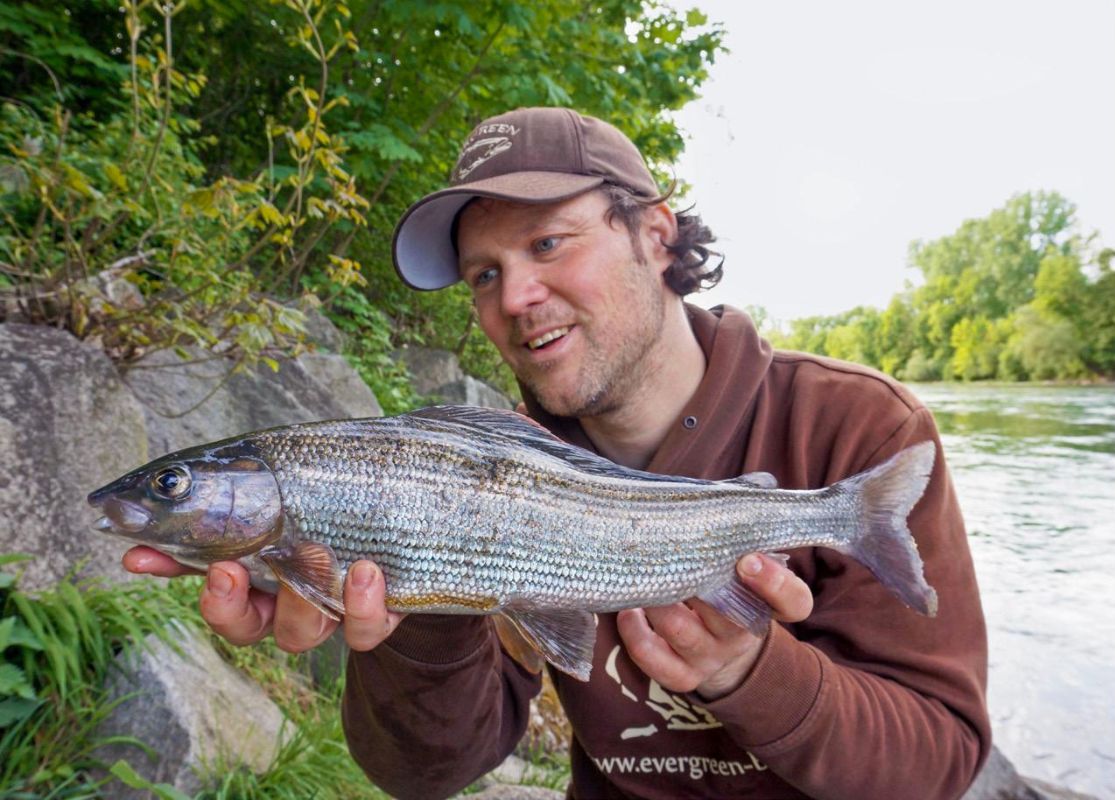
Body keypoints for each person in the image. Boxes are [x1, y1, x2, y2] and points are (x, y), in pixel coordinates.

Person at [125, 107, 991, 799]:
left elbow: (940, 761)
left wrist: (751, 672)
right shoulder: (471, 473)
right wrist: (417, 605)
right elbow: (423, 775)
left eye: (546, 244)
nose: (517, 298)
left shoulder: (853, 426)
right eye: (484, 274)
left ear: (655, 235)